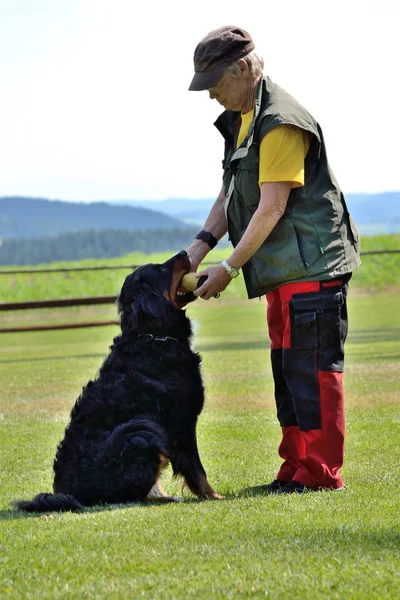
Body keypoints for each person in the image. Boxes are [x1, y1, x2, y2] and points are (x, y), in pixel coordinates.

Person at [186, 26, 361, 494]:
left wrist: (229, 268)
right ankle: (294, 467)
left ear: (242, 69)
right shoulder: (244, 117)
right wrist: (197, 249)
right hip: (282, 271)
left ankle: (320, 474)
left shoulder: (280, 120)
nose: (211, 98)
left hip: (311, 266)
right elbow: (231, 193)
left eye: (215, 85)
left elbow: (271, 207)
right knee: (288, 369)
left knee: (314, 369)